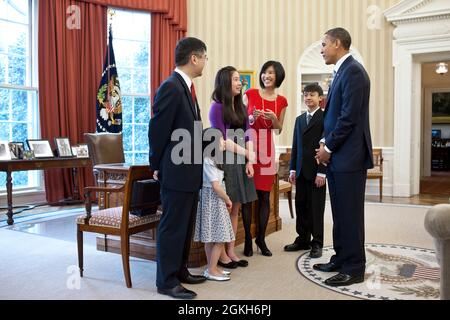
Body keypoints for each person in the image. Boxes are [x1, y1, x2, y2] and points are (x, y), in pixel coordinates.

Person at [148, 37, 208, 299]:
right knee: (173, 226)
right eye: (204, 57)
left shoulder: (189, 88)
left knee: (185, 225)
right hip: (175, 170)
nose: (206, 62)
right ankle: (166, 281)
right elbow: (158, 130)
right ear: (194, 58)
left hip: (190, 170)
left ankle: (180, 270)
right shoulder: (171, 87)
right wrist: (156, 164)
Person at [314, 27, 373, 287]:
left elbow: (348, 118)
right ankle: (341, 257)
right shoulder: (342, 72)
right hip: (340, 155)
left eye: (324, 44)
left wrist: (328, 147)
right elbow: (336, 117)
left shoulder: (354, 72)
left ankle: (354, 267)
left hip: (349, 157)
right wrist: (326, 143)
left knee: (350, 214)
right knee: (339, 212)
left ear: (338, 43)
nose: (322, 49)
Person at [209, 66, 258, 268]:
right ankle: (220, 254)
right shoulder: (217, 107)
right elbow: (222, 141)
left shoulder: (240, 107)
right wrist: (248, 154)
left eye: (240, 79)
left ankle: (230, 250)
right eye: (236, 79)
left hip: (241, 161)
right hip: (225, 162)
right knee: (226, 208)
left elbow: (248, 134)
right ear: (225, 83)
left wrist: (249, 161)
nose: (240, 83)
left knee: (236, 209)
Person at [242, 61, 288, 257]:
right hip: (249, 144)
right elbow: (242, 122)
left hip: (267, 147)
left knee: (263, 196)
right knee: (247, 197)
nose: (266, 76)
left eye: (271, 73)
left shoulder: (282, 101)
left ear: (278, 76)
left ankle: (261, 238)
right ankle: (246, 240)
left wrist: (272, 119)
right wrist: (251, 117)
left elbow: (278, 129)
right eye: (264, 72)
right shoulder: (250, 94)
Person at [284, 83, 326, 258]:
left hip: (317, 171)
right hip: (300, 170)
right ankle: (302, 239)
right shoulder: (299, 120)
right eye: (306, 95)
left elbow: (327, 147)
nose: (308, 98)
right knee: (301, 205)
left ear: (320, 98)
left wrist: (322, 172)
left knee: (316, 208)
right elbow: (296, 146)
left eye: (312, 95)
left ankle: (317, 243)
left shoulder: (325, 119)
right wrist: (292, 168)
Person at [194, 128, 235, 281]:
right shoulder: (208, 160)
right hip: (213, 200)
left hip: (213, 199)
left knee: (212, 237)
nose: (224, 142)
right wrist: (228, 199)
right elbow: (216, 186)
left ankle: (212, 268)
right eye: (221, 139)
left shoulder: (214, 160)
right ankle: (211, 269)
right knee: (219, 237)